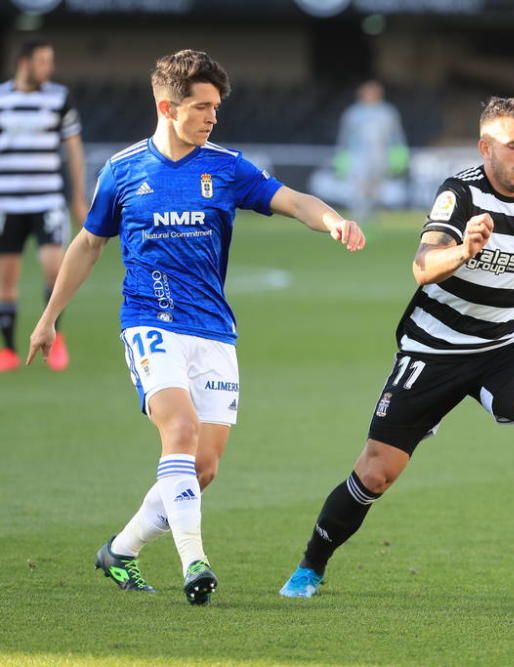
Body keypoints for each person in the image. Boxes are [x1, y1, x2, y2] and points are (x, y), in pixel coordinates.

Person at [27, 50, 365, 605]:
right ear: (167, 105)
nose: (213, 117)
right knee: (178, 432)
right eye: (202, 106)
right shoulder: (124, 170)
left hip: (213, 331)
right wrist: (48, 317)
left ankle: (121, 550)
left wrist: (333, 221)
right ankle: (195, 562)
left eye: (217, 107)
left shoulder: (226, 167)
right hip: (148, 321)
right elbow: (89, 243)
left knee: (201, 468)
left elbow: (293, 200)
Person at [280, 97, 514, 598]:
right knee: (376, 471)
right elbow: (422, 266)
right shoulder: (460, 195)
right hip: (433, 350)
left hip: (503, 346)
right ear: (485, 148)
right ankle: (311, 565)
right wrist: (464, 250)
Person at [0, 39, 87, 372]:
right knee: (6, 278)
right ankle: (7, 349)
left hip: (47, 198)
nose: (48, 68)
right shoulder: (2, 99)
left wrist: (77, 197)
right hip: (7, 201)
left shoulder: (58, 98)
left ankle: (55, 336)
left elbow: (74, 148)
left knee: (55, 267)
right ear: (23, 62)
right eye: (42, 61)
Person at [333, 80, 408, 225]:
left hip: (381, 156)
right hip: (358, 157)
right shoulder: (353, 113)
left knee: (376, 186)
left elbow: (396, 136)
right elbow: (344, 137)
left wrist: (399, 154)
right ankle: (358, 216)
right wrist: (341, 156)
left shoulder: (387, 112)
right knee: (359, 186)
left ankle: (373, 215)